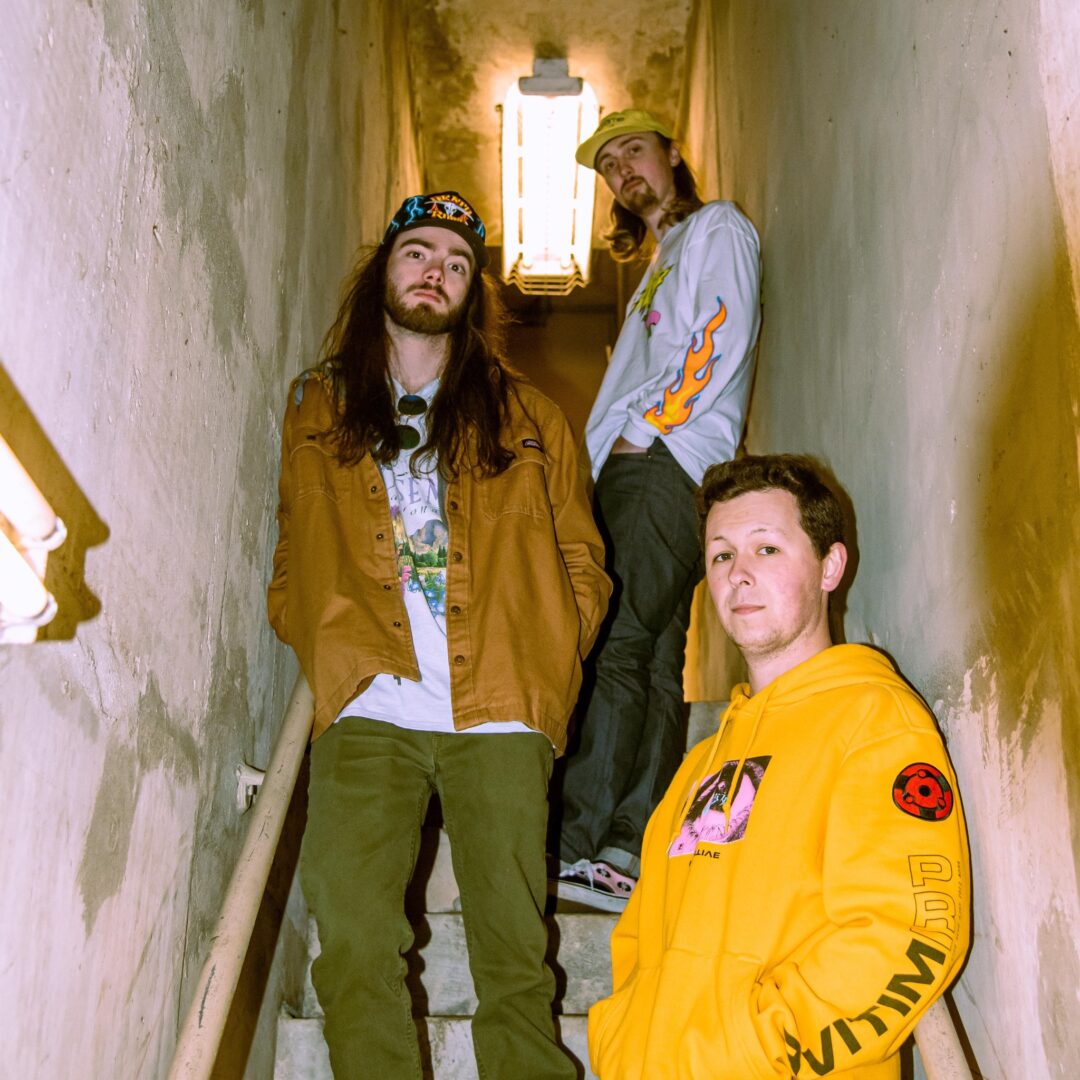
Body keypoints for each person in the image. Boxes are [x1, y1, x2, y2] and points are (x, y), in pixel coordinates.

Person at [267, 190, 610, 1080]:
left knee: (511, 955)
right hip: (370, 700)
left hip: (499, 703)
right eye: (419, 252)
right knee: (348, 940)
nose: (437, 272)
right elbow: (289, 555)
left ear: (473, 293)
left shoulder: (529, 414)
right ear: (384, 268)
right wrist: (317, 637)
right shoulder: (318, 403)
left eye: (458, 264)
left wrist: (552, 656)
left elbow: (584, 557)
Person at [587, 454, 971, 1079]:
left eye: (766, 549)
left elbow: (908, 934)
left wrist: (753, 1054)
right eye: (720, 555)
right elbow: (637, 939)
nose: (738, 575)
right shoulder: (700, 765)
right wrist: (622, 1042)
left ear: (830, 566)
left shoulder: (874, 721)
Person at [557, 109, 762, 910]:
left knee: (613, 645)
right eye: (608, 165)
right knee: (650, 654)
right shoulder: (662, 259)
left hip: (665, 462)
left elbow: (719, 332)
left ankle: (579, 838)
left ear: (673, 155)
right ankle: (626, 848)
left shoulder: (718, 228)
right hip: (668, 465)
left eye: (632, 152)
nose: (621, 171)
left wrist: (644, 431)